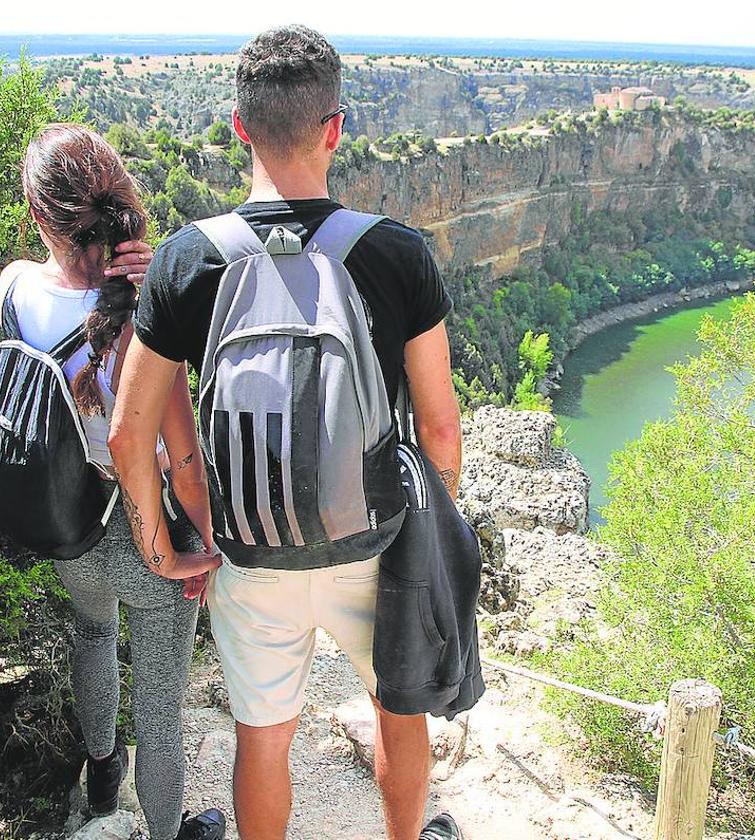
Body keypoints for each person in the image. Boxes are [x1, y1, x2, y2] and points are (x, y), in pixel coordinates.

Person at [109, 27, 464, 840]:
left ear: (238, 127)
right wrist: (431, 536)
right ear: (336, 128)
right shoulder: (397, 255)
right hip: (375, 543)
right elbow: (440, 426)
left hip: (247, 550)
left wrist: (168, 544)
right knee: (397, 715)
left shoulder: (185, 260)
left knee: (263, 740)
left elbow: (133, 436)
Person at [0, 123, 225, 840]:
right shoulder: (144, 316)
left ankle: (101, 788)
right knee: (159, 710)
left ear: (39, 217)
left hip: (65, 524)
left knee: (92, 639)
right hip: (146, 536)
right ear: (123, 203)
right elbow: (181, 458)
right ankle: (165, 830)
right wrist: (203, 545)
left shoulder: (13, 289)